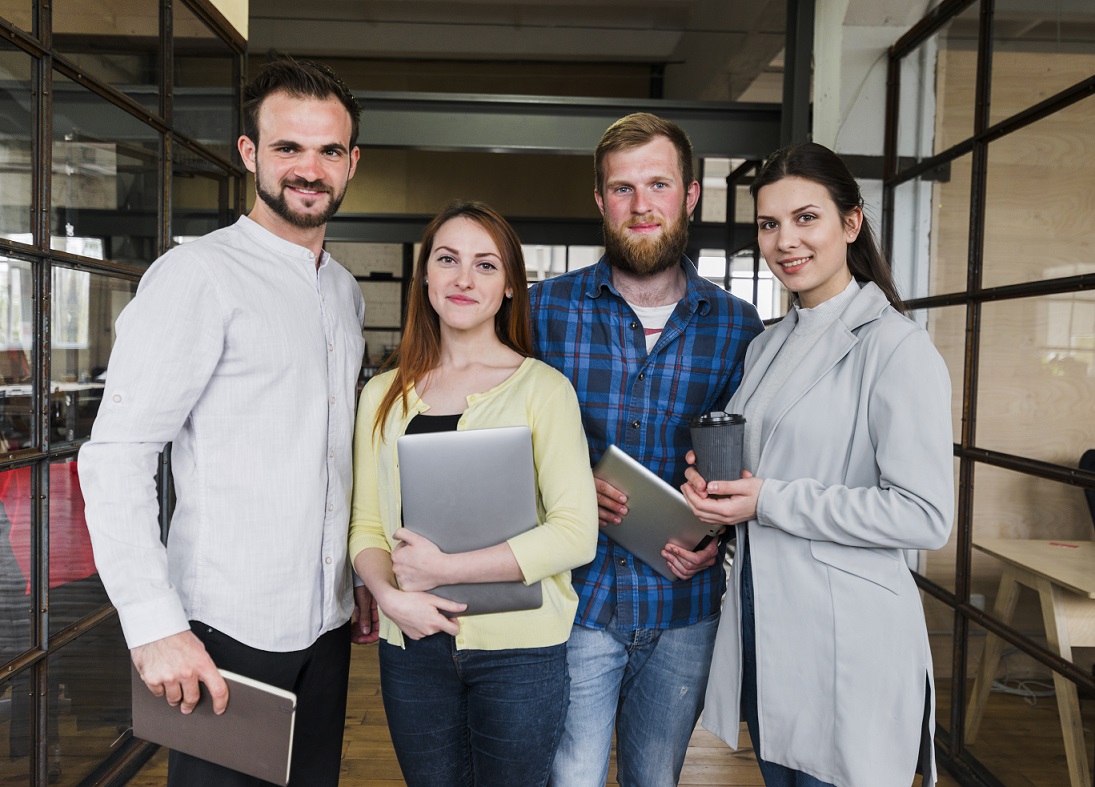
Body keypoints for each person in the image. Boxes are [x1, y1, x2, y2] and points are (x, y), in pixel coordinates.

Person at [78, 58, 371, 785]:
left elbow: (331, 456)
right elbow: (115, 453)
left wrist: (356, 574)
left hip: (327, 628)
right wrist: (152, 622)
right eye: (288, 148)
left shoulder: (343, 291)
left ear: (352, 162)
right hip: (225, 629)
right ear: (249, 153)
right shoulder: (197, 276)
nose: (310, 168)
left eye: (329, 150)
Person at [682, 142, 954, 787]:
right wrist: (716, 511)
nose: (785, 241)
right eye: (770, 224)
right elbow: (763, 474)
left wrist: (767, 500)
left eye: (806, 218)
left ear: (850, 224)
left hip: (849, 642)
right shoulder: (768, 344)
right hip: (772, 631)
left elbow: (924, 516)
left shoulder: (895, 348)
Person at [529, 112, 764, 786]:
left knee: (654, 778)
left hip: (683, 606)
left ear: (688, 194)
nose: (640, 206)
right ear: (599, 200)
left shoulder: (737, 325)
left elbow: (750, 462)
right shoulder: (544, 310)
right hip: (578, 596)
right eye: (622, 189)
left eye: (657, 185)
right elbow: (499, 432)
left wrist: (718, 533)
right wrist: (562, 487)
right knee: (568, 775)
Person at [349, 201, 598, 787]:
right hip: (413, 645)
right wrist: (391, 596)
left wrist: (444, 569)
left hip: (521, 652)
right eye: (448, 260)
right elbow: (365, 527)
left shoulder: (544, 389)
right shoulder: (382, 394)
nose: (464, 279)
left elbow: (574, 533)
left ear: (510, 285)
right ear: (425, 278)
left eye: (486, 265)